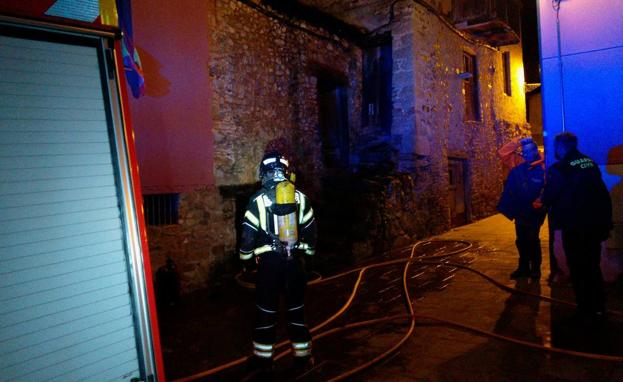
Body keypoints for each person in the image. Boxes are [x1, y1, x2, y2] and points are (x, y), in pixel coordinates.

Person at [239, 151, 317, 376]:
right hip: (295, 265)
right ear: (286, 171)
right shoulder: (301, 198)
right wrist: (308, 260)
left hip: (269, 267)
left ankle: (264, 363)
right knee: (297, 313)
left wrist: (247, 264)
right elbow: (311, 233)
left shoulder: (257, 200)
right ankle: (303, 359)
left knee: (265, 313)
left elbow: (247, 238)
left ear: (263, 172)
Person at [540, 132, 613, 318]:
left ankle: (585, 308)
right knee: (592, 266)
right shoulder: (589, 163)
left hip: (574, 226)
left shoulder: (561, 168)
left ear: (561, 147)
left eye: (555, 147)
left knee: (578, 267)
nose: (554, 150)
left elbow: (549, 195)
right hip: (594, 225)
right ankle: (599, 305)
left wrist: (541, 200)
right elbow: (602, 194)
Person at [497, 137, 546, 280]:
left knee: (532, 238)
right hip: (521, 208)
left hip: (536, 209)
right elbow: (502, 153)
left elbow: (548, 183)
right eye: (524, 152)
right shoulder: (518, 162)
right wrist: (518, 141)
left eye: (529, 151)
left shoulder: (544, 163)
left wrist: (541, 199)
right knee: (521, 240)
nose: (526, 154)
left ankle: (535, 269)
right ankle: (523, 268)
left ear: (536, 151)